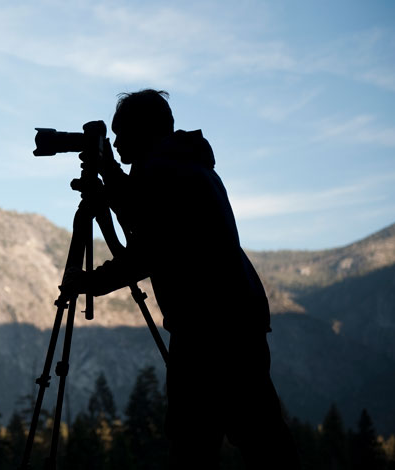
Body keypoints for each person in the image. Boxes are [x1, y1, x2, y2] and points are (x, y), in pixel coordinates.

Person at [62, 89, 298, 469]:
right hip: (234, 320)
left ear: (143, 133)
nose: (117, 143)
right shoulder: (183, 164)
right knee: (259, 435)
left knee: (198, 442)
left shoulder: (164, 172)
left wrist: (87, 282)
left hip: (210, 330)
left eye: (122, 135)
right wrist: (109, 174)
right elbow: (145, 216)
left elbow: (147, 249)